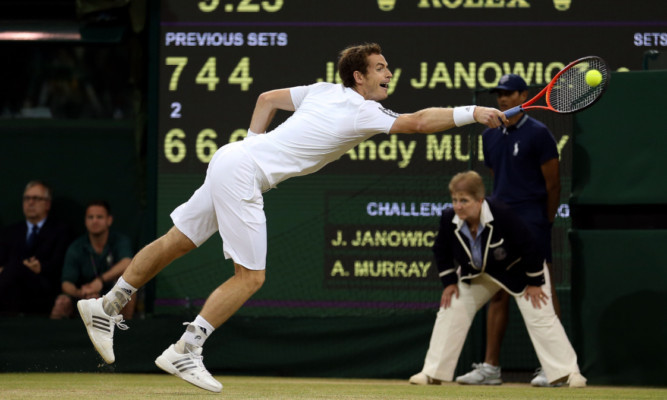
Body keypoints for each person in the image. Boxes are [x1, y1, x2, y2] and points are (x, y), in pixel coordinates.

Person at [76, 42, 509, 393]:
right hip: (243, 170)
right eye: (381, 67)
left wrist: (250, 147)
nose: (388, 73)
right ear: (359, 76)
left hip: (231, 156)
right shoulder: (363, 109)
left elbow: (266, 99)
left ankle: (106, 304)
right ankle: (187, 347)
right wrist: (473, 113)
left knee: (177, 241)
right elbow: (416, 123)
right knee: (250, 277)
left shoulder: (322, 89)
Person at [408, 171, 585, 388]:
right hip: (479, 275)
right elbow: (441, 250)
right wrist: (450, 283)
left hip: (518, 271)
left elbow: (530, 247)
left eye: (464, 200)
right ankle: (432, 373)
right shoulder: (449, 219)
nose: (458, 206)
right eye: (455, 200)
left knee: (541, 315)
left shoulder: (501, 214)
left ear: (480, 200)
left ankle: (569, 373)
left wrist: (535, 283)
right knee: (451, 308)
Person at [453, 74, 563, 387]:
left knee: (541, 292)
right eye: (499, 94)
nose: (502, 99)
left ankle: (553, 367)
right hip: (500, 223)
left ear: (523, 95)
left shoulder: (539, 134)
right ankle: (490, 368)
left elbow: (553, 184)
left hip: (532, 221)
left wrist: (545, 220)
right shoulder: (489, 136)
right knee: (498, 292)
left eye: (509, 93)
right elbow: (496, 177)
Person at [50, 200, 135, 320]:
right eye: (90, 217)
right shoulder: (76, 247)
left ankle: (125, 332)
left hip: (112, 296)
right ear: (85, 221)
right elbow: (66, 283)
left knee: (128, 289)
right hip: (84, 297)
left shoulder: (120, 241)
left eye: (99, 217)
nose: (94, 221)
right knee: (61, 302)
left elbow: (127, 262)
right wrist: (82, 292)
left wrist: (100, 281)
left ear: (109, 220)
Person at [0, 180, 71, 315]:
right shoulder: (10, 232)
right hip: (10, 292)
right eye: (27, 198)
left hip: (42, 291)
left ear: (47, 204)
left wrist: (41, 267)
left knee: (14, 268)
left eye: (36, 198)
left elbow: (60, 263)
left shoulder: (60, 231)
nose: (30, 202)